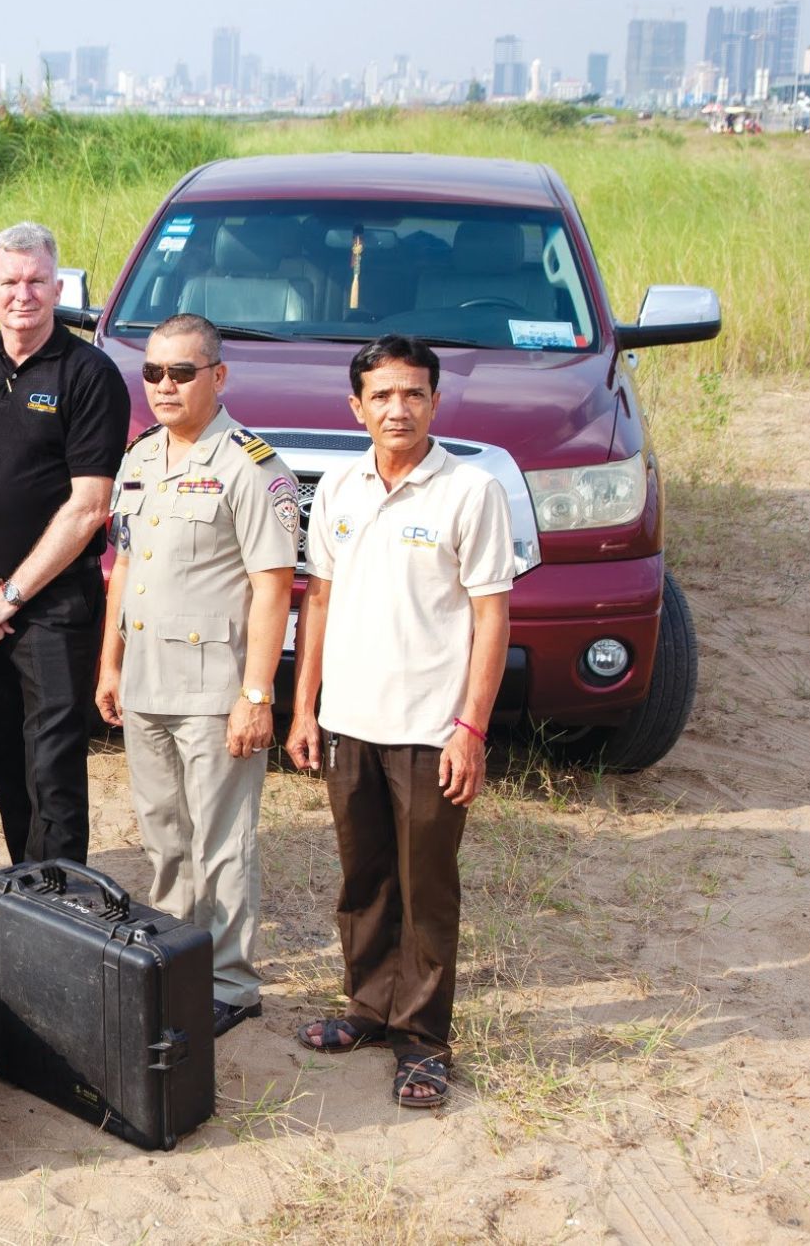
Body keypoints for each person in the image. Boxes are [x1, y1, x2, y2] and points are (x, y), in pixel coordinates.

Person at [284, 334, 516, 1108]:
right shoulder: (342, 487)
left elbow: (492, 615)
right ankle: (367, 1008)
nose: (398, 408)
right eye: (382, 395)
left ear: (435, 402)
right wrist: (305, 706)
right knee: (364, 881)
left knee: (426, 886)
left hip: (429, 728)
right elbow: (316, 600)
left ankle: (421, 1040)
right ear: (356, 406)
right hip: (350, 720)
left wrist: (471, 728)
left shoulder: (469, 492)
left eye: (413, 393)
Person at [94, 314, 298, 1039]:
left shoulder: (251, 465)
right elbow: (121, 569)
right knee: (164, 836)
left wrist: (256, 693)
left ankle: (232, 981)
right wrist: (110, 661)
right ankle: (175, 962)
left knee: (222, 841)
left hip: (216, 692)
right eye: (153, 372)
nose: (165, 386)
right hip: (148, 680)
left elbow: (273, 587)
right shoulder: (141, 456)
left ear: (218, 376)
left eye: (182, 372)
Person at [0, 222, 131, 863]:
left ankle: (61, 910)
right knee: (5, 763)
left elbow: (89, 507)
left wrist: (8, 597)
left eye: (38, 281)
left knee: (53, 770)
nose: (25, 294)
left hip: (51, 609)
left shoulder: (90, 374)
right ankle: (22, 897)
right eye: (11, 282)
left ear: (58, 286)